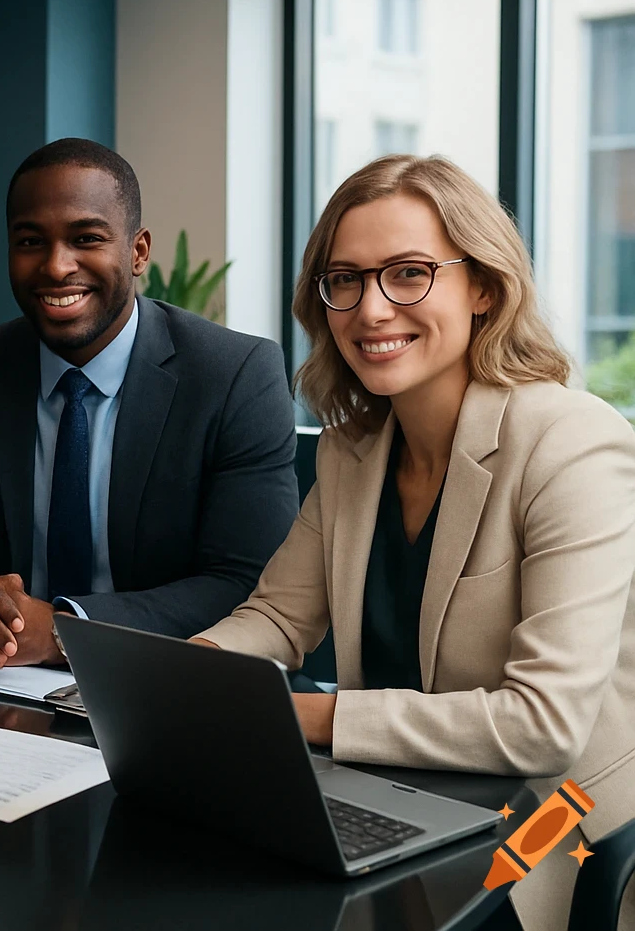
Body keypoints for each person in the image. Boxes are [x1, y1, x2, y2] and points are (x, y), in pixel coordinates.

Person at [193, 155, 635, 931]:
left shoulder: (573, 442)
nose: (371, 310)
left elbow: (544, 725)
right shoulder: (354, 448)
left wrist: (312, 718)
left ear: (484, 288)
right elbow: (278, 618)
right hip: (408, 794)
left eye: (408, 274)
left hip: (557, 814)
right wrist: (191, 675)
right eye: (347, 280)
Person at [0, 138, 299, 672]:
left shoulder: (235, 375)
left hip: (164, 684)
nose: (55, 266)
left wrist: (65, 629)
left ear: (138, 251)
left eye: (86, 238)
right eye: (29, 241)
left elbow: (249, 583)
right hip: (4, 690)